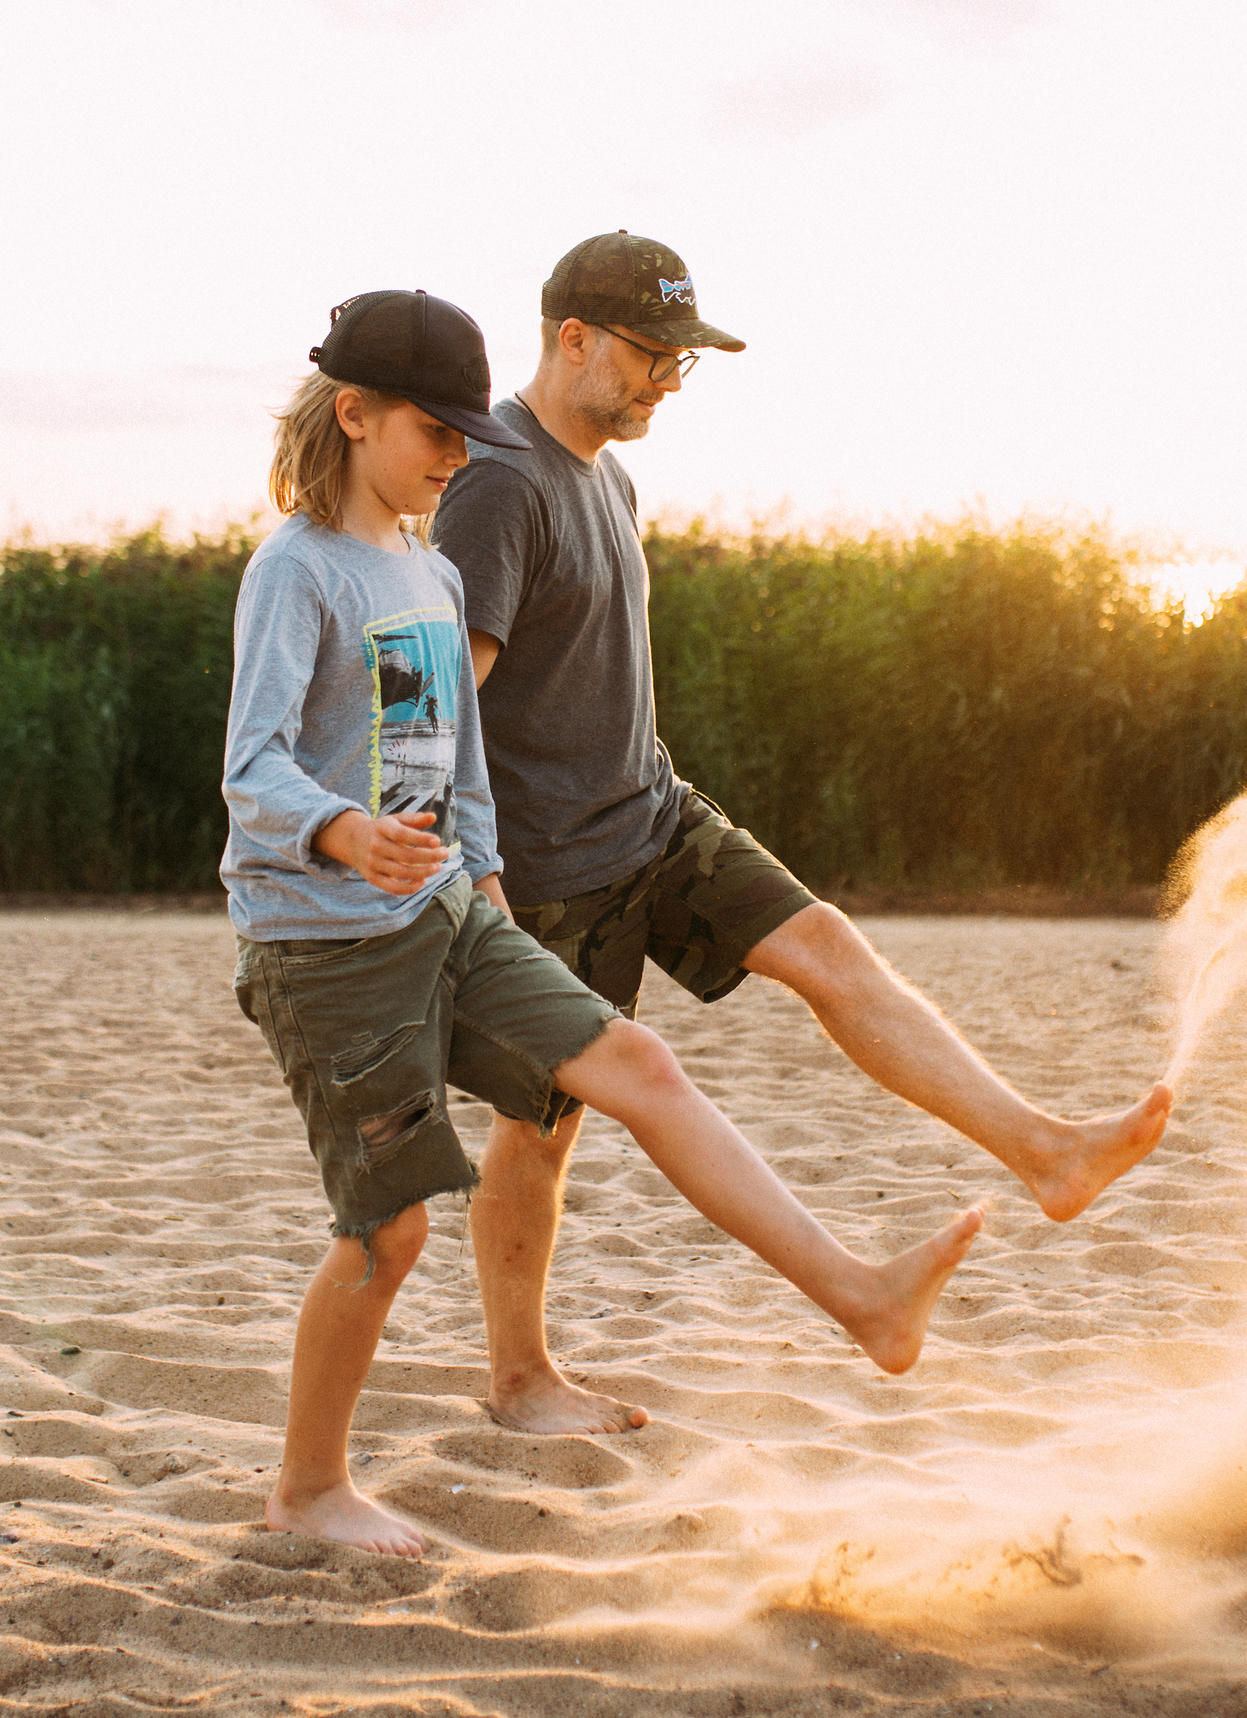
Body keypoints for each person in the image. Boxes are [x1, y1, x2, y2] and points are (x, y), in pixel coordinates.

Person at [224, 289, 982, 1555]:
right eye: (434, 431)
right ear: (353, 414)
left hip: (449, 916)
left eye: (469, 433)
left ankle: (860, 1296)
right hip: (327, 943)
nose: (458, 456)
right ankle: (307, 1488)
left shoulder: (429, 562)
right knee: (388, 1234)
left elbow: (451, 751)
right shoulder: (295, 568)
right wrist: (342, 831)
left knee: (639, 1064)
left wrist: (482, 873)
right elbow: (252, 769)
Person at [432, 235, 1173, 1437]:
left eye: (684, 359)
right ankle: (520, 1379)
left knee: (824, 943)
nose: (670, 378)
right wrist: (482, 879)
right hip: (548, 870)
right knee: (540, 1129)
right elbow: (446, 701)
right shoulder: (498, 483)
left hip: (652, 815)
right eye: (651, 353)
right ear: (572, 337)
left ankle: (1047, 1150)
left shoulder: (609, 479)